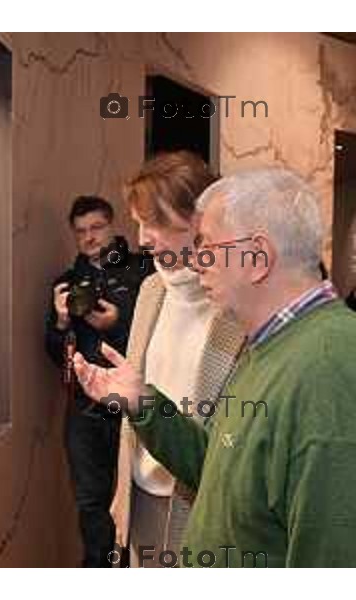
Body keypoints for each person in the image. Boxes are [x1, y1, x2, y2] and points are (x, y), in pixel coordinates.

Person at [73, 167, 356, 567]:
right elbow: (219, 467)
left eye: (207, 245)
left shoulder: (329, 368)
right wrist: (143, 403)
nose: (195, 260)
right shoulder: (272, 344)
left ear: (258, 258)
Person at [111, 151, 245, 568]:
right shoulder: (151, 290)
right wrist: (122, 494)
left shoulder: (240, 306)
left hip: (205, 511)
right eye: (138, 223)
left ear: (199, 220)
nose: (142, 239)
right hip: (140, 502)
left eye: (154, 223)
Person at [45, 195, 153, 567]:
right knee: (90, 501)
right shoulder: (67, 283)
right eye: (80, 232)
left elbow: (155, 337)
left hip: (132, 404)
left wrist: (117, 323)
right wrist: (61, 322)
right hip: (85, 408)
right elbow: (54, 354)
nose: (89, 238)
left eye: (96, 228)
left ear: (112, 225)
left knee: (135, 493)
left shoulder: (145, 273)